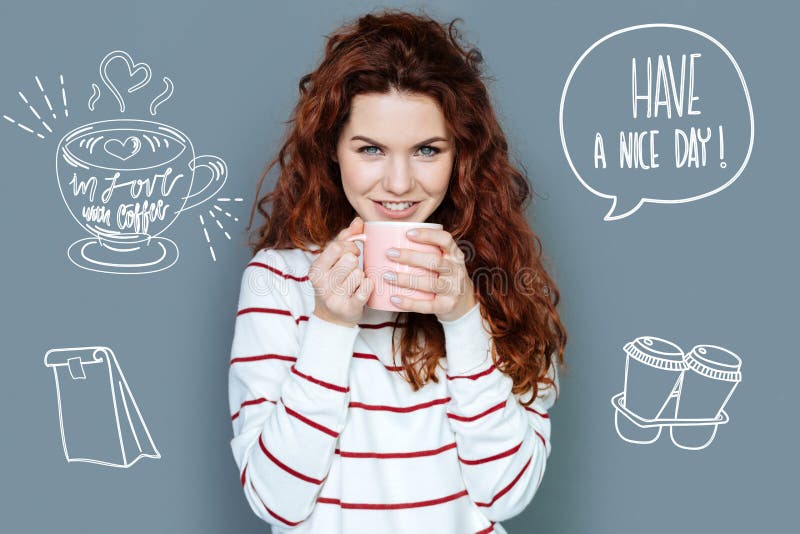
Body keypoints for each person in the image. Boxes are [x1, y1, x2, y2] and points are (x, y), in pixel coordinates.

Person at [229, 8, 567, 534]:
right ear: (334, 152)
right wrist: (330, 324)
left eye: (427, 150)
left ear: (462, 156)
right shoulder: (277, 280)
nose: (399, 183)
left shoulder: (500, 279)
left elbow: (506, 494)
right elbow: (277, 501)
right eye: (371, 150)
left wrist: (462, 318)